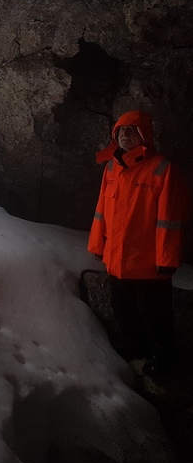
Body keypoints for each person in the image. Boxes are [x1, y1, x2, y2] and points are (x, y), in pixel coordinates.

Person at [88, 110, 189, 377]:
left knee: (157, 315)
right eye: (121, 131)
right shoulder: (111, 168)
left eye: (131, 130)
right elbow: (101, 211)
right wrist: (98, 245)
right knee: (122, 307)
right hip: (118, 259)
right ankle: (134, 346)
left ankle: (165, 359)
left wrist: (167, 259)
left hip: (148, 263)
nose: (125, 135)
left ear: (144, 136)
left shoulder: (162, 169)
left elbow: (170, 219)